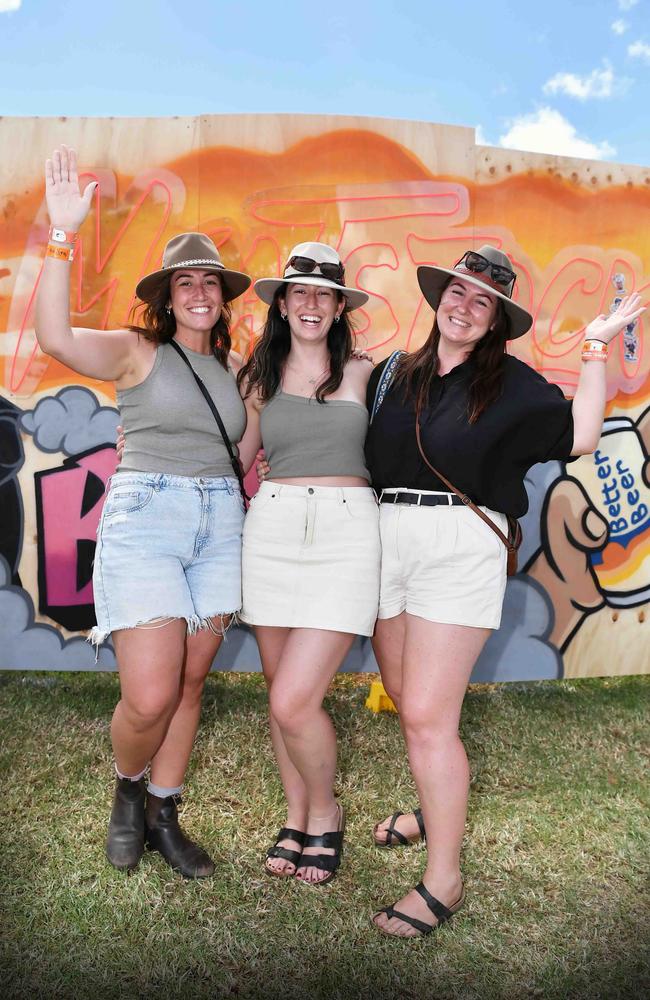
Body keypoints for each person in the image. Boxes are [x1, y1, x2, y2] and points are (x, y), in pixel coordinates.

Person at [363, 245, 644, 936]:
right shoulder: (396, 373)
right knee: (407, 698)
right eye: (457, 292)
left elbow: (581, 436)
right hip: (385, 538)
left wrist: (595, 350)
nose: (463, 307)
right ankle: (435, 808)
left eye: (481, 301)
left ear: (496, 320)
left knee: (430, 715)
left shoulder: (513, 386)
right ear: (440, 298)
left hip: (460, 545)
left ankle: (444, 880)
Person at [35, 145, 259, 879]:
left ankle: (166, 810)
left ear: (223, 295)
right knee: (151, 693)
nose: (199, 292)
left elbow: (246, 449)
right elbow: (55, 338)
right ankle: (128, 791)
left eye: (209, 281)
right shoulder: (138, 351)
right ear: (168, 296)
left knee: (192, 684)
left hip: (220, 521)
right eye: (185, 283)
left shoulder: (234, 369)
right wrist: (62, 234)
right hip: (148, 518)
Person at [237, 242, 379, 885]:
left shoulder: (366, 372)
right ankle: (296, 817)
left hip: (347, 536)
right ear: (283, 304)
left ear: (340, 305)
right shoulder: (257, 379)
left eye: (325, 293)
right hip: (271, 530)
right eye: (301, 292)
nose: (312, 303)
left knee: (298, 699)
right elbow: (236, 457)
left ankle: (326, 811)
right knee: (279, 697)